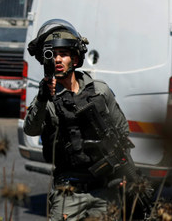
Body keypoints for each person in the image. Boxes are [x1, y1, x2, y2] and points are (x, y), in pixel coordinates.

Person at [23, 19, 140, 220]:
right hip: (68, 191)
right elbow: (31, 130)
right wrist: (43, 97)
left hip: (105, 190)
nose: (58, 60)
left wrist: (126, 173)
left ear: (75, 60)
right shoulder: (46, 99)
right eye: (53, 55)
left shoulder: (99, 91)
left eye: (64, 54)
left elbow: (122, 133)